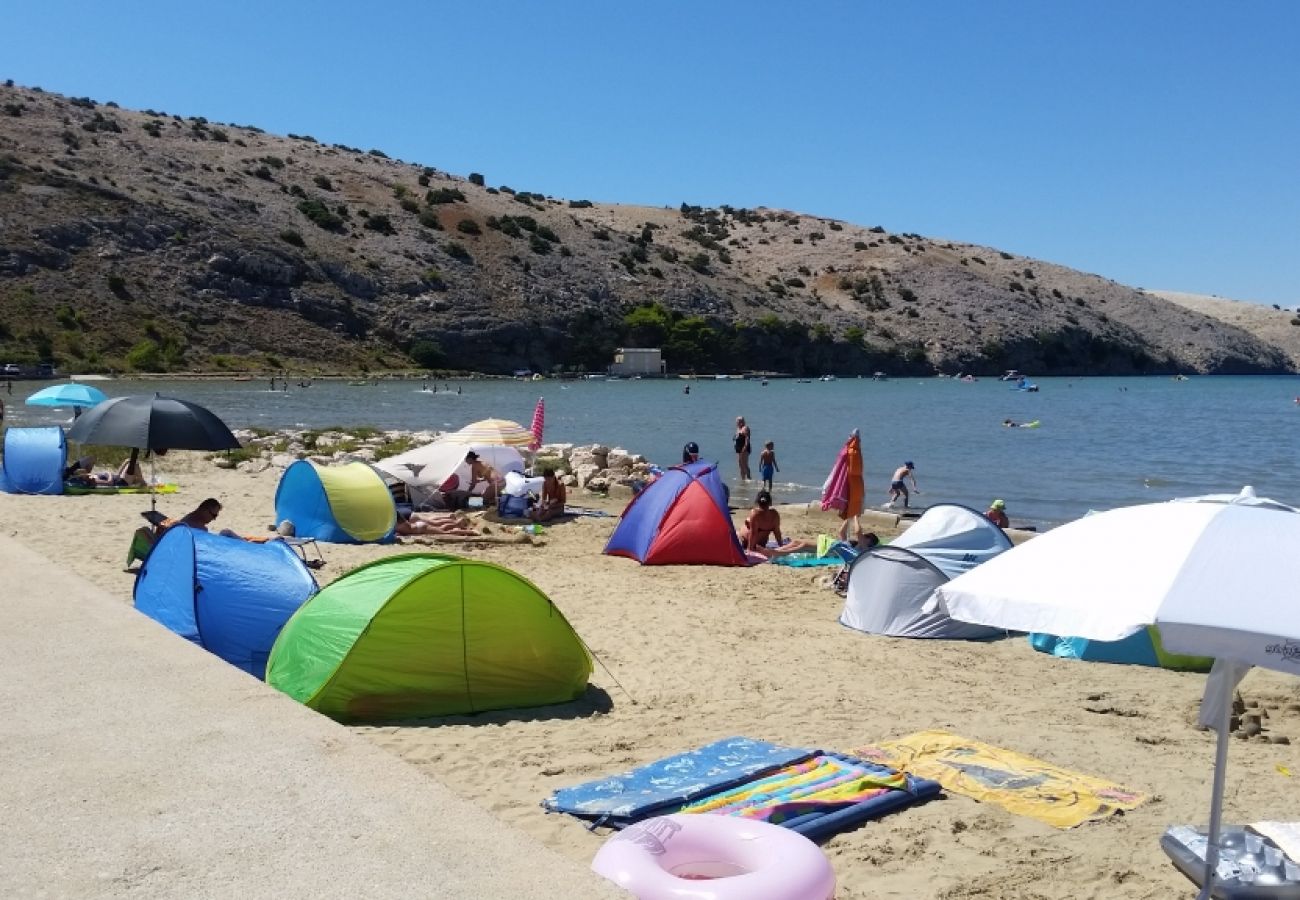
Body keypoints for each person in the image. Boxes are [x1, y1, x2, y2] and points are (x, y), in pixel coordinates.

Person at [739, 491, 812, 557]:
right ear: (770, 503)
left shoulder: (755, 514)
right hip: (751, 542)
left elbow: (753, 534)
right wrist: (781, 545)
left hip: (751, 543)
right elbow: (777, 532)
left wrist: (750, 550)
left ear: (757, 502)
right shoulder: (774, 514)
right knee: (794, 543)